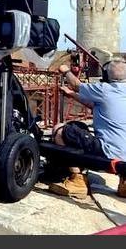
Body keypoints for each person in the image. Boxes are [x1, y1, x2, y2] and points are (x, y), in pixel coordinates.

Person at [48, 58, 126, 199]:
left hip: (107, 153)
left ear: (106, 76)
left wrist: (66, 71)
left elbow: (77, 84)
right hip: (124, 157)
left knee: (60, 130)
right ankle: (125, 183)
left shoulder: (105, 89)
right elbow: (94, 105)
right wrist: (71, 94)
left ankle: (77, 182)